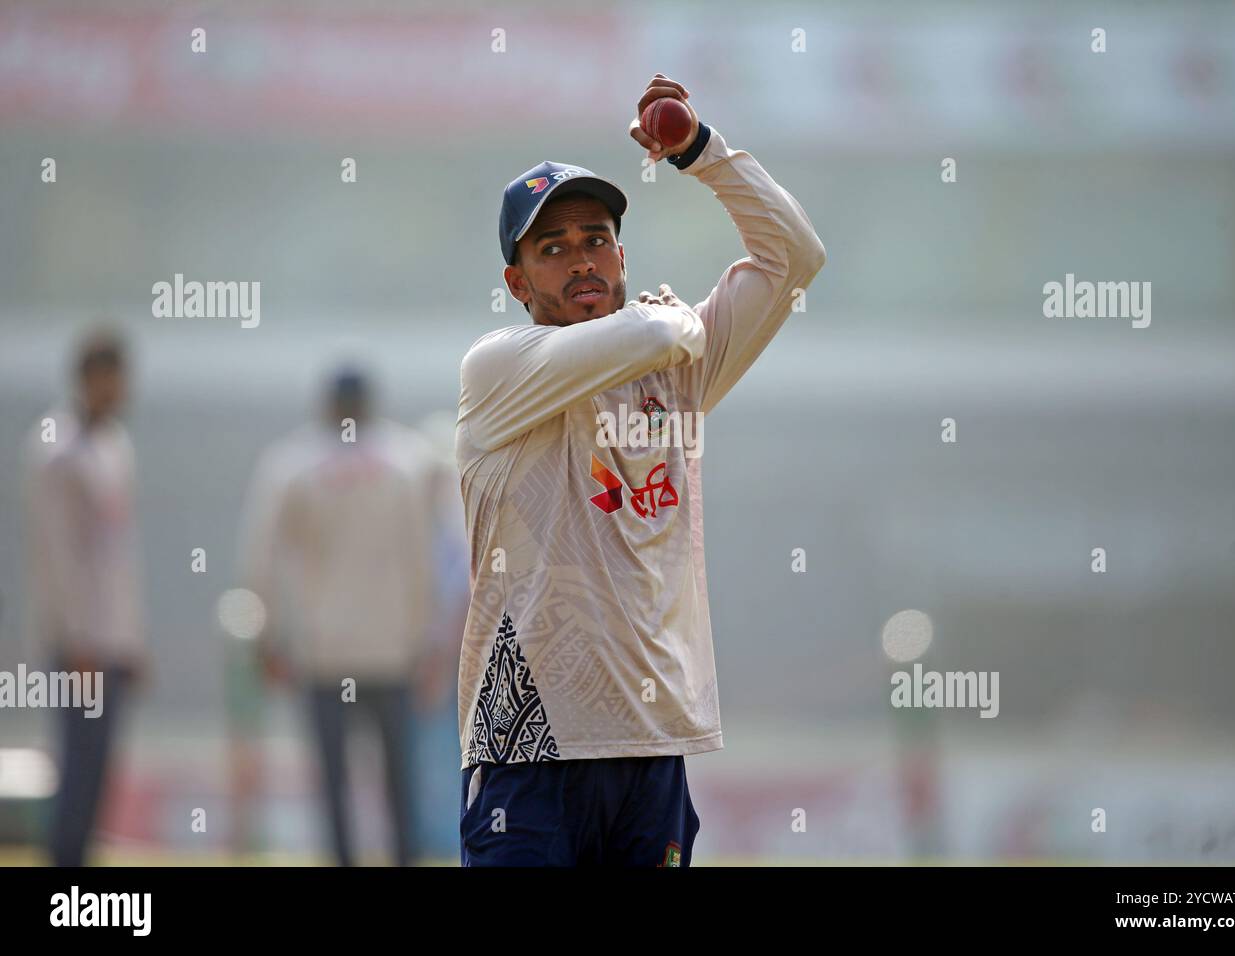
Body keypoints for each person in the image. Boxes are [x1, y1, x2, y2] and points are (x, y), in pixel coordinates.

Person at [455, 74, 826, 866]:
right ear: (517, 285)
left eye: (595, 239)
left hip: (654, 739)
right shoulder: (499, 370)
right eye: (551, 250)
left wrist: (701, 151)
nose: (580, 261)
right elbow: (652, 338)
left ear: (621, 252)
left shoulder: (676, 364)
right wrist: (664, 322)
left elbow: (795, 256)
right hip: (530, 742)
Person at [238, 368, 436, 866]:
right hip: (390, 650)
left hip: (323, 652)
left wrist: (264, 638)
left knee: (334, 785)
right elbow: (423, 559)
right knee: (399, 782)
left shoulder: (291, 465)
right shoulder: (407, 461)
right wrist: (426, 640)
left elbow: (259, 559)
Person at [23, 328, 148, 867]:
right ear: (92, 378)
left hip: (112, 637)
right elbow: (57, 558)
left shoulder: (113, 445)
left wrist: (131, 638)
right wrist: (79, 640)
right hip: (80, 642)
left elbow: (118, 556)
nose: (123, 389)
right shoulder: (57, 448)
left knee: (100, 766)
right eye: (115, 377)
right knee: (77, 763)